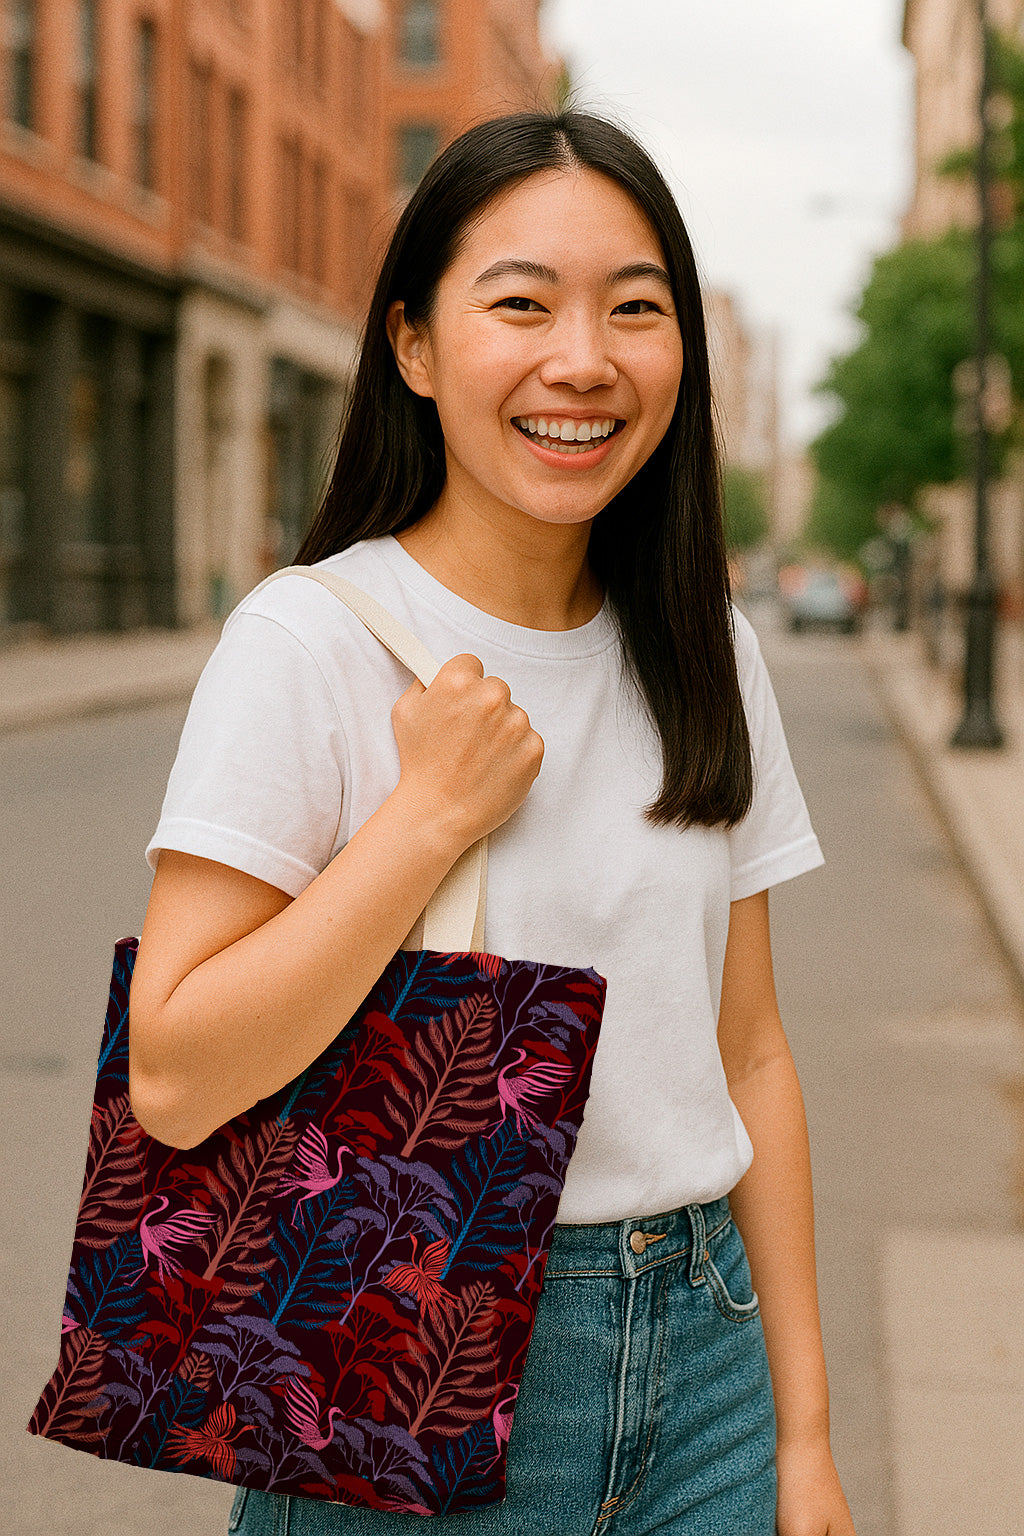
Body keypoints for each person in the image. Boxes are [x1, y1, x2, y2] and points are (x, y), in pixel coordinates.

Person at [129, 110, 855, 1536]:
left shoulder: (705, 642)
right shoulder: (312, 641)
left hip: (705, 1357)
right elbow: (175, 1071)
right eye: (520, 303)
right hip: (413, 1338)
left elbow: (751, 1049)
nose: (581, 360)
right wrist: (423, 821)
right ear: (413, 345)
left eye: (634, 311)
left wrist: (805, 1433)